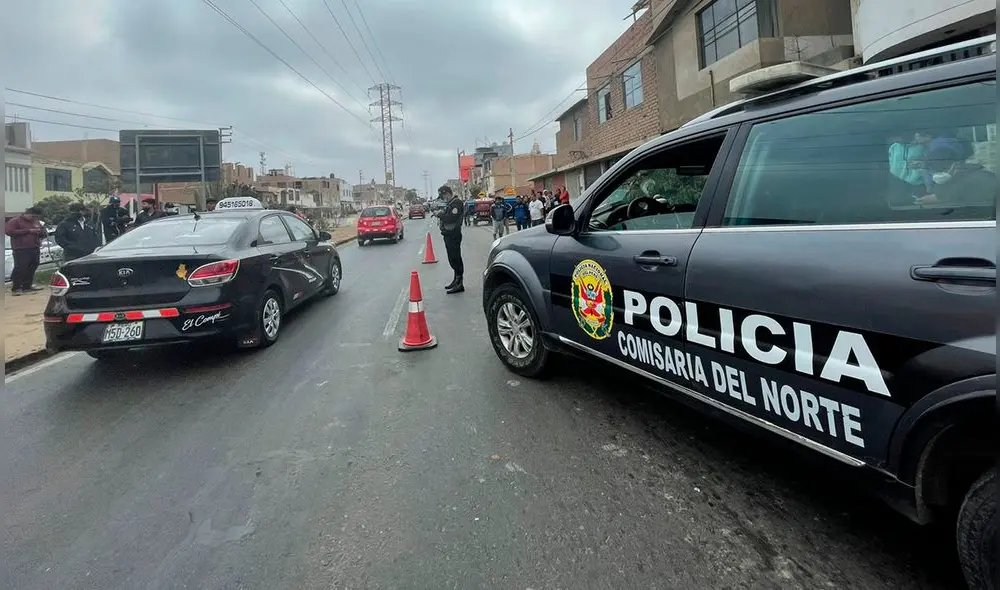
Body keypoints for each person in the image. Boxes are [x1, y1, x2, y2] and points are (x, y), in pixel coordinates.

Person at [914, 137, 996, 208]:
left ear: (956, 164)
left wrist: (938, 199)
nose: (937, 174)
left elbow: (958, 194)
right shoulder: (948, 180)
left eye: (941, 169)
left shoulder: (982, 179)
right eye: (934, 171)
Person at [5, 206, 47, 295]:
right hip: (21, 248)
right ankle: (16, 288)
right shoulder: (15, 221)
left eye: (36, 217)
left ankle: (27, 286)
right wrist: (28, 231)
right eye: (33, 216)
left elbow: (41, 232)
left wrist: (41, 232)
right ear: (27, 214)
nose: (34, 218)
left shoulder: (36, 222)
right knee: (21, 267)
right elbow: (9, 231)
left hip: (34, 247)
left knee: (33, 266)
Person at [434, 185, 465, 294]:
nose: (443, 198)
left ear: (447, 193)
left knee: (455, 258)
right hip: (448, 234)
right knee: (452, 258)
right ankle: (456, 280)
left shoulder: (456, 203)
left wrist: (440, 214)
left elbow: (451, 218)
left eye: (443, 195)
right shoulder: (451, 203)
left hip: (454, 234)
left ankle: (460, 282)